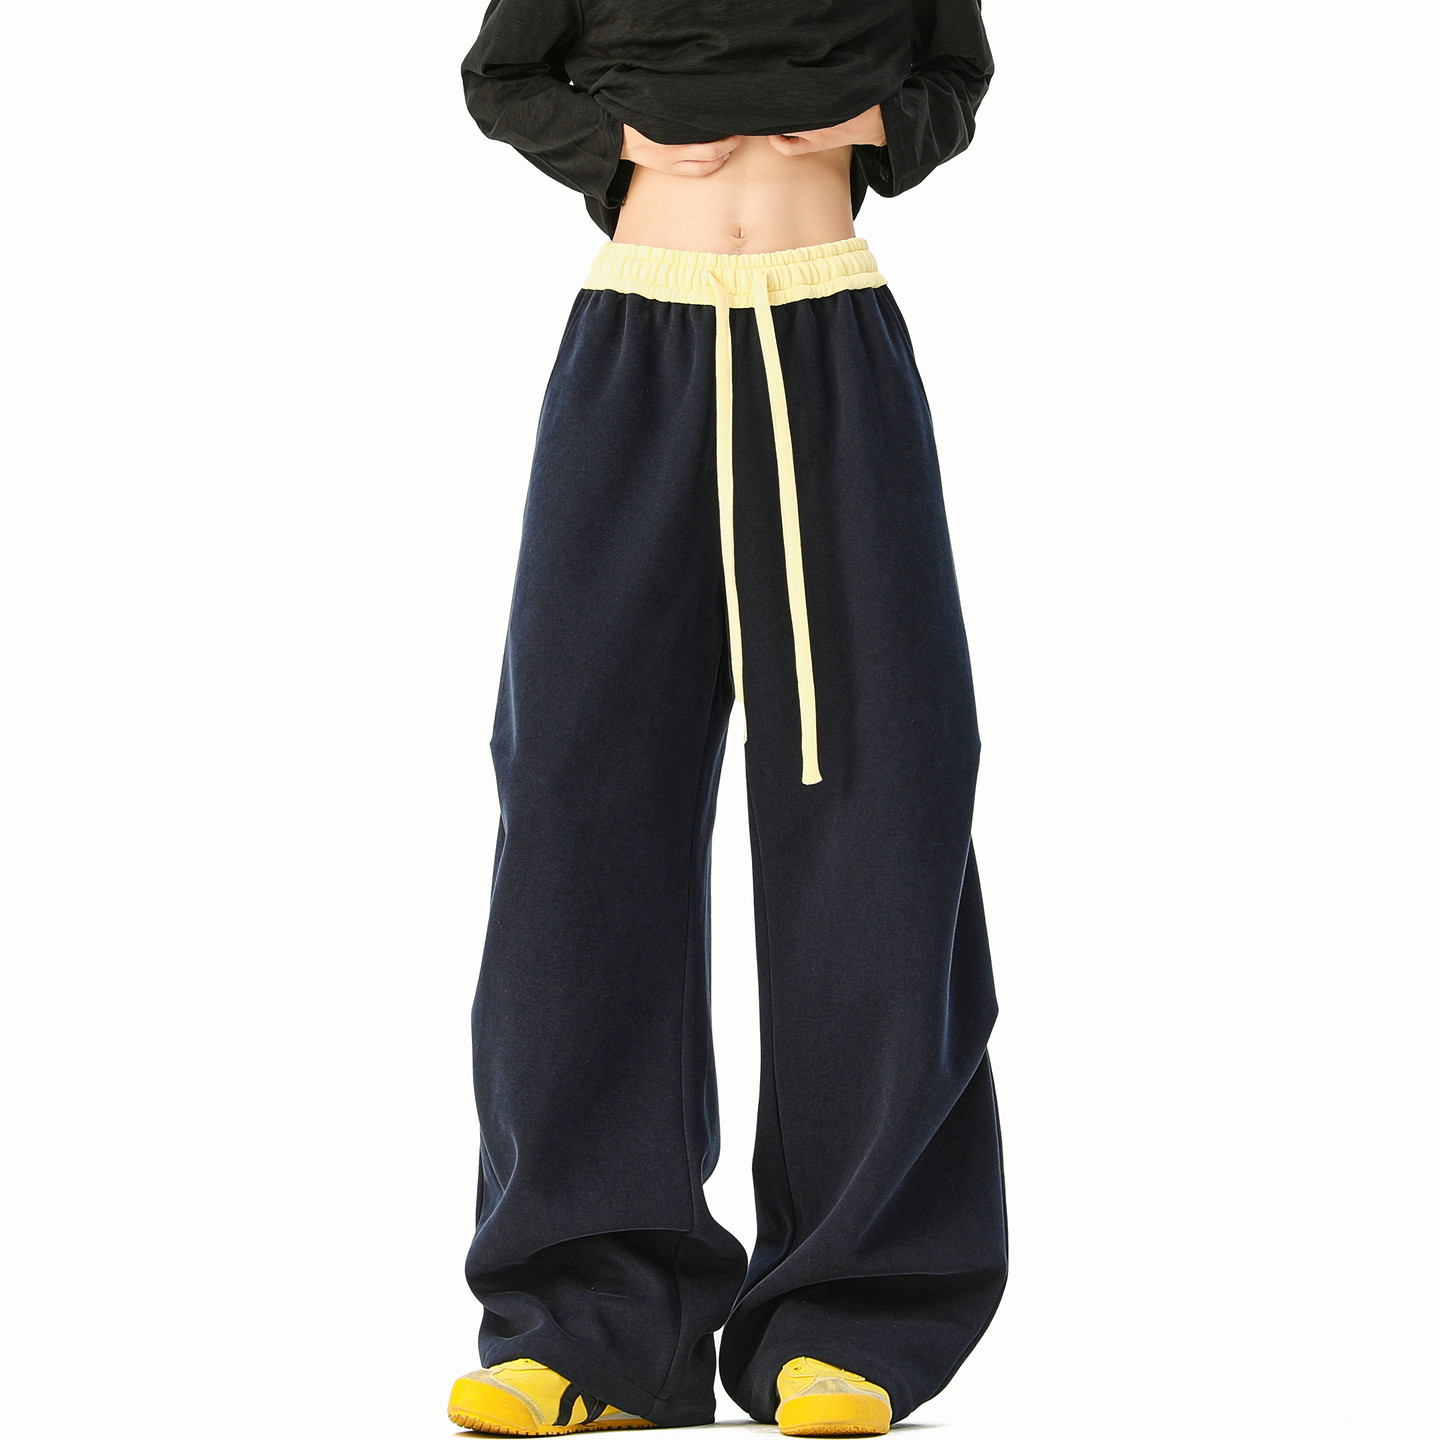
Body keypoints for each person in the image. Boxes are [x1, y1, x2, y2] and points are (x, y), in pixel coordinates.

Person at [448, 0, 1006, 1433]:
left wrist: (878, 125)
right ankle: (590, 1328)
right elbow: (502, 76)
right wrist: (625, 140)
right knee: (577, 815)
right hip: (636, 342)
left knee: (885, 803)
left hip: (832, 338)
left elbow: (954, 71)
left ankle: (850, 1317)